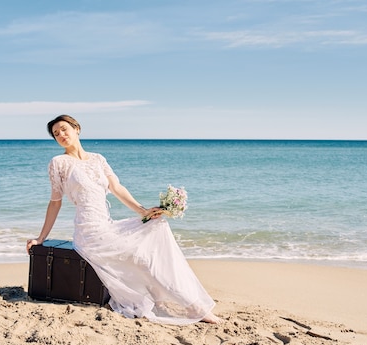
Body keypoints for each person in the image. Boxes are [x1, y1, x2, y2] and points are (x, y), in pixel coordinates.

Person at [26, 115, 221, 325]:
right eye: (56, 134)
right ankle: (193, 307)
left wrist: (143, 211)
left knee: (157, 226)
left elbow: (117, 189)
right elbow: (55, 202)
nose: (61, 135)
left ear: (77, 129)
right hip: (89, 233)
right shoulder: (59, 163)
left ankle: (185, 302)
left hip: (107, 226)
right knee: (142, 257)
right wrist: (40, 238)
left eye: (64, 129)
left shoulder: (98, 159)